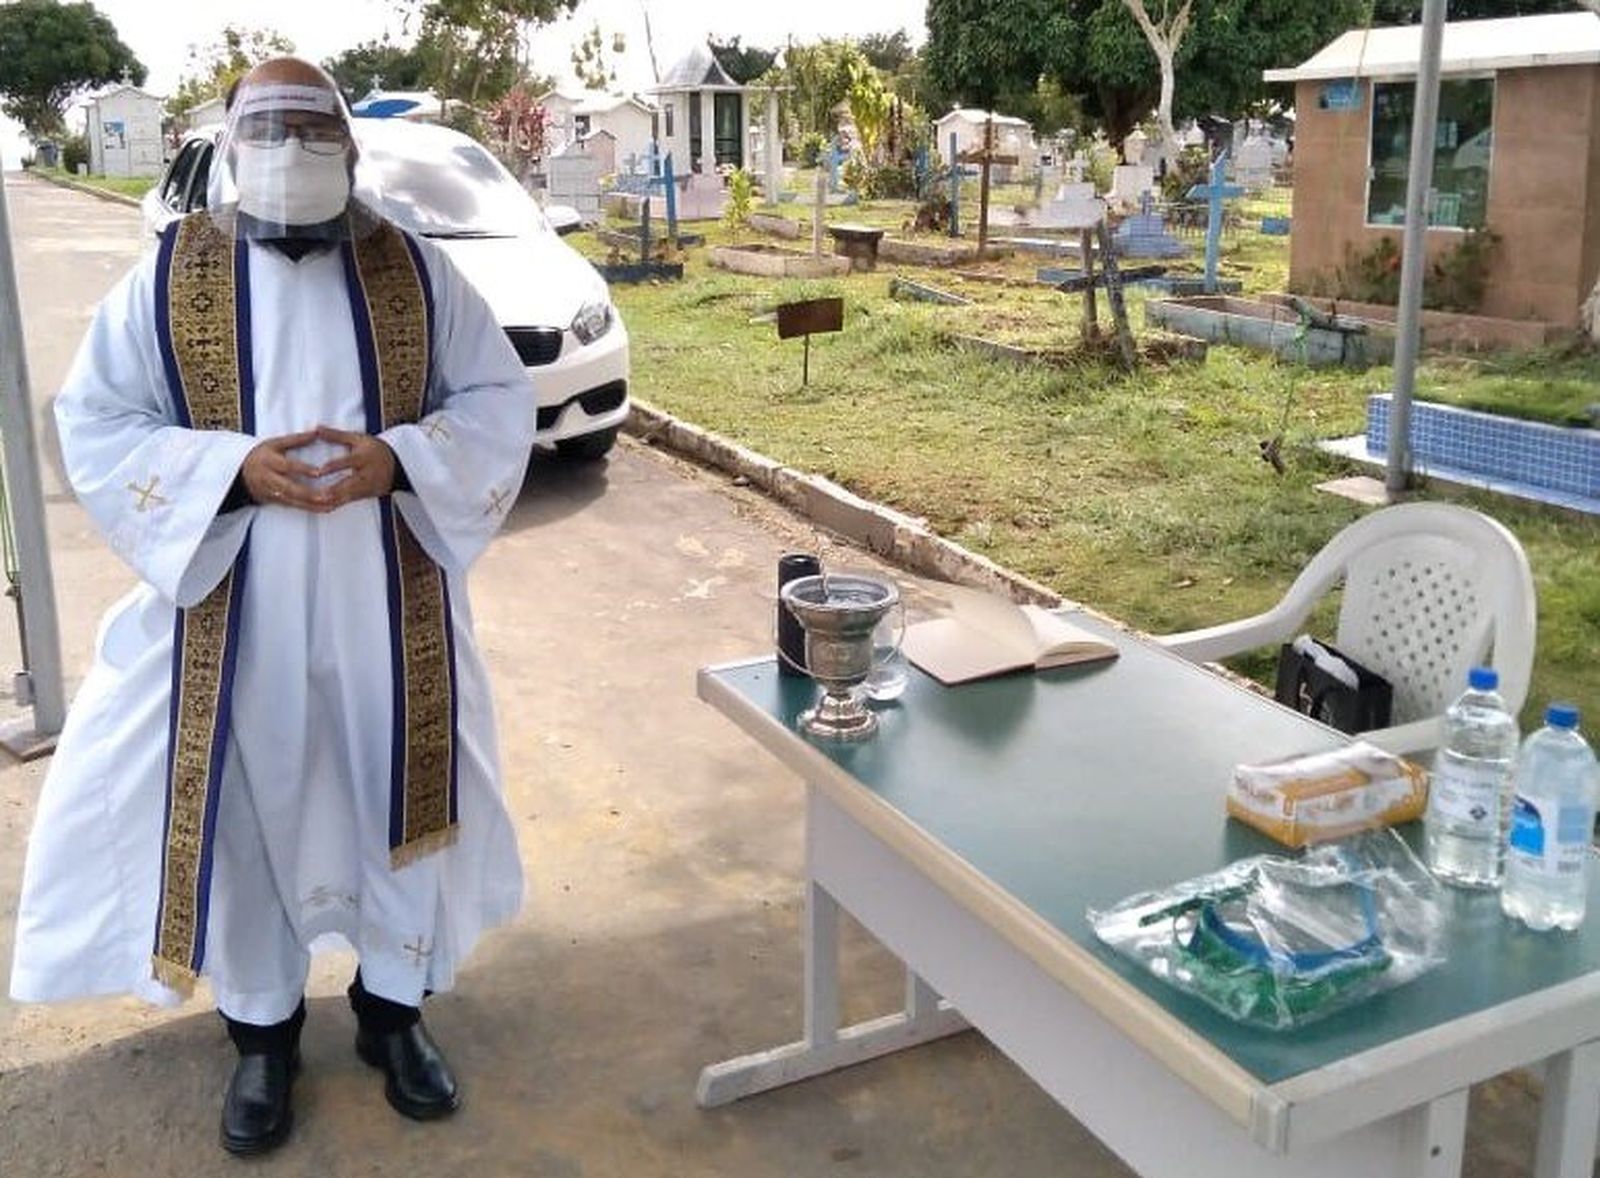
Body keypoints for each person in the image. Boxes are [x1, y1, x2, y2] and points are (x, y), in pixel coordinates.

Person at [9, 58, 535, 1156]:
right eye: (270, 128)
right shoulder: (168, 276)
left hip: (393, 612)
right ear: (230, 147)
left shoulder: (415, 271)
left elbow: (494, 397)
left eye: (312, 127)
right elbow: (97, 419)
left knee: (399, 794)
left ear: (349, 146)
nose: (292, 148)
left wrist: (398, 459)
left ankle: (395, 1014)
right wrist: (230, 471)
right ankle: (263, 1033)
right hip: (234, 614)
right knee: (254, 810)